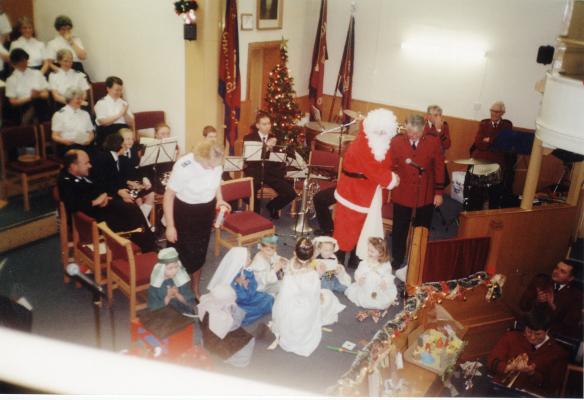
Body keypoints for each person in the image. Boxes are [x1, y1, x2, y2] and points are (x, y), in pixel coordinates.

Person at [163, 140, 230, 299]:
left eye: (216, 165)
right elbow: (168, 196)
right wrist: (170, 226)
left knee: (199, 253)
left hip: (205, 211)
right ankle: (173, 290)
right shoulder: (184, 166)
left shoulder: (216, 162)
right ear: (200, 158)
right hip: (184, 212)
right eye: (209, 165)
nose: (213, 168)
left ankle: (195, 288)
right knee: (179, 253)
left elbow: (216, 183)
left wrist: (220, 199)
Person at [333, 108, 400, 267]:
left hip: (368, 193)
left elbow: (385, 164)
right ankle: (338, 260)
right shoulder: (362, 144)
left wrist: (389, 176)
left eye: (384, 131)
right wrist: (391, 179)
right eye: (379, 131)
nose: (382, 134)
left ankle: (356, 258)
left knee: (363, 226)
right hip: (352, 192)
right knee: (346, 227)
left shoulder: (381, 143)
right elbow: (372, 169)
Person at [57, 149, 155, 252]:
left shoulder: (80, 174)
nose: (90, 165)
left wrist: (109, 194)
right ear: (73, 166)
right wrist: (95, 202)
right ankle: (145, 249)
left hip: (101, 208)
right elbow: (72, 205)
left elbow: (99, 185)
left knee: (131, 208)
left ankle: (146, 244)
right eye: (86, 163)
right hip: (91, 220)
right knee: (131, 216)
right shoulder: (66, 181)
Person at [270, 238, 344, 356]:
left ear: (295, 252)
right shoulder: (311, 274)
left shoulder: (291, 264)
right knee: (329, 296)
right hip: (303, 310)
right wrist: (319, 275)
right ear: (311, 257)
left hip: (288, 307)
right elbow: (312, 295)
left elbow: (287, 289)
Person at [390, 114, 445, 270]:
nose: (412, 136)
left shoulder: (433, 142)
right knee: (399, 227)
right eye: (409, 132)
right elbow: (390, 165)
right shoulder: (396, 141)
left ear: (423, 130)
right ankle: (397, 257)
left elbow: (439, 167)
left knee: (422, 228)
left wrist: (439, 192)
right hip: (403, 191)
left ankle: (417, 259)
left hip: (425, 193)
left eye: (416, 133)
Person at [487, 308, 569, 397]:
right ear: (525, 327)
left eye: (538, 334)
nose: (532, 337)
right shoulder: (511, 337)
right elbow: (492, 361)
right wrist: (508, 367)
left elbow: (551, 388)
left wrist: (532, 373)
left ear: (547, 331)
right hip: (499, 390)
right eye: (529, 331)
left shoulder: (558, 353)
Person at [243, 111, 296, 219]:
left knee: (290, 193)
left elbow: (281, 158)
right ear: (257, 125)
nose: (267, 126)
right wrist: (266, 148)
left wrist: (277, 151)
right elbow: (249, 160)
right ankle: (255, 214)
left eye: (269, 123)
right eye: (264, 124)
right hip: (254, 171)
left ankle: (272, 206)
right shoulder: (249, 138)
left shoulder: (275, 138)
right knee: (250, 190)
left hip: (271, 172)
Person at [207, 247, 274, 326]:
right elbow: (241, 297)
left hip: (247, 298)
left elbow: (253, 285)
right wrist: (242, 286)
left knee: (269, 298)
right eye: (248, 258)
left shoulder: (245, 270)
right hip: (238, 304)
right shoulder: (229, 279)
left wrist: (248, 284)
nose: (250, 260)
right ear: (240, 261)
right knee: (245, 312)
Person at [518, 259, 582, 342]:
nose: (556, 272)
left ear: (570, 278)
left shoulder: (576, 296)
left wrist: (552, 306)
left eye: (562, 271)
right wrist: (537, 301)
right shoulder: (540, 281)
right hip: (527, 329)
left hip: (551, 337)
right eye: (556, 268)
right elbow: (522, 305)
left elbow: (569, 325)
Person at [468, 101, 514, 209]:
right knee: (477, 192)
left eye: (496, 111)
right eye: (492, 110)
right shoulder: (484, 123)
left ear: (502, 113)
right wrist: (493, 141)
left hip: (496, 162)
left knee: (494, 193)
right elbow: (478, 143)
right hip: (481, 159)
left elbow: (503, 143)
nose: (493, 113)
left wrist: (489, 139)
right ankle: (474, 210)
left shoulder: (507, 125)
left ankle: (491, 211)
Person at [197, 284, 255, 367]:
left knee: (245, 340)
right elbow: (233, 325)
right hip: (217, 342)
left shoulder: (208, 305)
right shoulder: (218, 316)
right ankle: (232, 360)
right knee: (247, 343)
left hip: (214, 336)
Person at [345, 237, 397, 310]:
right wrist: (359, 279)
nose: (369, 253)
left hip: (379, 286)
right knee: (360, 296)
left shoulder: (385, 264)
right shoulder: (364, 262)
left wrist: (385, 281)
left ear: (380, 253)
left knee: (383, 300)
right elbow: (358, 272)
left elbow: (388, 275)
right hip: (366, 286)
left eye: (372, 251)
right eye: (368, 250)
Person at [4, 48, 50, 125]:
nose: (25, 63)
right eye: (21, 61)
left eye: (25, 60)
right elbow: (13, 102)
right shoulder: (11, 80)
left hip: (40, 102)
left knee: (38, 103)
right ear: (14, 64)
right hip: (22, 107)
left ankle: (35, 124)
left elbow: (46, 95)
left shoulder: (37, 73)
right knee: (35, 105)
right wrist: (31, 97)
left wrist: (38, 95)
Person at [119, 128, 155, 223]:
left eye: (132, 139)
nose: (130, 141)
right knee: (138, 199)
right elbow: (118, 175)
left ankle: (143, 221)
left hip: (136, 183)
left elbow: (140, 168)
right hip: (125, 185)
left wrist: (144, 178)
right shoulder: (118, 154)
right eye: (127, 139)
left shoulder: (134, 150)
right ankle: (145, 223)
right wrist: (130, 183)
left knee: (151, 193)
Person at [147, 247, 196, 314]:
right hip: (165, 315)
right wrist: (168, 296)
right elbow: (153, 307)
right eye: (170, 268)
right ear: (162, 269)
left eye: (176, 267)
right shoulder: (155, 286)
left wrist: (177, 295)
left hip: (183, 312)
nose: (174, 271)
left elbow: (190, 302)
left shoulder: (180, 281)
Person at [51, 87, 94, 158]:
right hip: (68, 146)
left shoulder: (85, 113)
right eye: (78, 98)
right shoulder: (59, 114)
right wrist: (65, 141)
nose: (80, 101)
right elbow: (54, 136)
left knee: (98, 157)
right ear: (69, 99)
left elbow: (91, 133)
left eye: (81, 98)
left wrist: (89, 139)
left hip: (85, 145)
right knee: (81, 157)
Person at [94, 76, 134, 146]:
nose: (119, 92)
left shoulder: (124, 103)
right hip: (108, 130)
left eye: (120, 90)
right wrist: (120, 114)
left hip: (124, 130)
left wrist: (125, 114)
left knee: (131, 141)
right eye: (117, 90)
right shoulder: (101, 103)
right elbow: (103, 122)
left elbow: (131, 123)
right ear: (108, 89)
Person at [424, 104, 451, 186]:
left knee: (441, 182)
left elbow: (447, 145)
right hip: (424, 159)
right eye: (436, 115)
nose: (438, 118)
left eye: (440, 115)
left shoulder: (444, 126)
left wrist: (439, 130)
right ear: (428, 116)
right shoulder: (422, 124)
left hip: (438, 159)